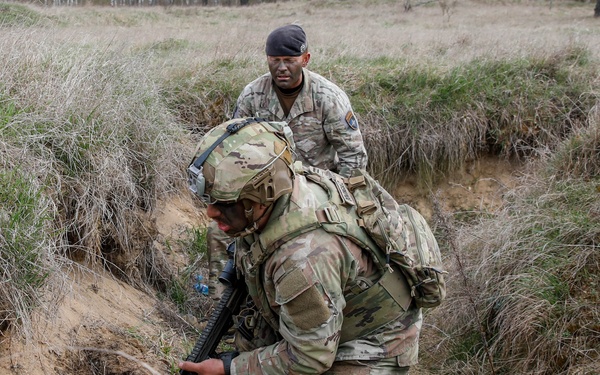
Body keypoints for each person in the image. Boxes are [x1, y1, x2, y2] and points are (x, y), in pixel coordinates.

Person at [179, 118, 423, 375]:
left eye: (225, 203)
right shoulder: (283, 184)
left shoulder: (301, 260)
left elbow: (311, 357)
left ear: (262, 194)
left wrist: (230, 368)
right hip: (331, 309)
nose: (210, 212)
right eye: (208, 200)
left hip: (372, 344)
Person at [205, 24, 369, 302]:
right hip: (262, 192)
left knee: (309, 250)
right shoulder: (252, 95)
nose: (281, 67)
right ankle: (221, 306)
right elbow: (231, 148)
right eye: (275, 60)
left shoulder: (328, 98)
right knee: (218, 232)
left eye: (289, 61)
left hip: (315, 193)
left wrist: (343, 202)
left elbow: (354, 157)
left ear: (305, 60)